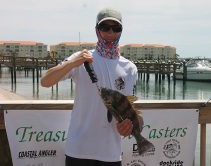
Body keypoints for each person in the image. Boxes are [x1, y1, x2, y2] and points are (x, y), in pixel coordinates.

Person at [41, 7, 138, 166]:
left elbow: (127, 110)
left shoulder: (130, 68)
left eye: (116, 28)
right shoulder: (82, 58)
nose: (110, 33)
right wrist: (73, 63)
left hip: (111, 153)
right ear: (96, 31)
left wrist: (125, 127)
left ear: (121, 31)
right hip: (78, 150)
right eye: (105, 27)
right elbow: (45, 82)